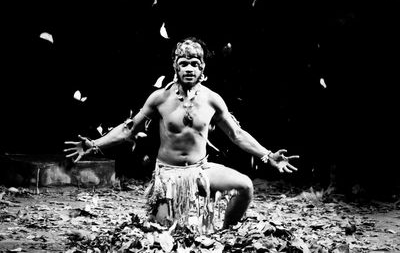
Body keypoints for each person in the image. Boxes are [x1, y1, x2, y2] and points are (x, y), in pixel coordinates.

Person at [64, 36, 299, 231]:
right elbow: (128, 130)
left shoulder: (212, 100)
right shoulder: (160, 98)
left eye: (195, 63)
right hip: (168, 177)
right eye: (184, 63)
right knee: (166, 234)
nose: (189, 68)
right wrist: (93, 144)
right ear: (175, 66)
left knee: (246, 186)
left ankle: (225, 234)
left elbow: (236, 134)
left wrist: (268, 155)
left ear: (202, 68)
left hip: (200, 171)